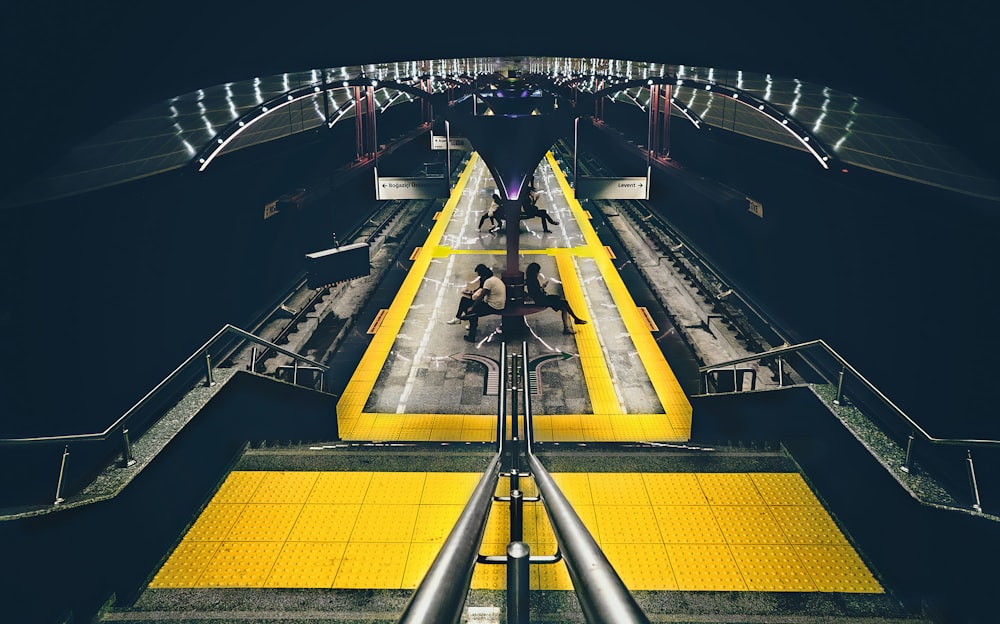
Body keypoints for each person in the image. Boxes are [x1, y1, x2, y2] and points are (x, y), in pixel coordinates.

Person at [524, 262, 587, 334]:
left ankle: (568, 326)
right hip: (542, 300)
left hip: (542, 299)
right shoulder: (533, 280)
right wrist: (543, 287)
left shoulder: (530, 279)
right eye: (538, 271)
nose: (538, 273)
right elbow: (537, 292)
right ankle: (574, 321)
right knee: (564, 303)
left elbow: (535, 291)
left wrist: (541, 288)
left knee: (564, 305)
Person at [460, 264, 506, 342]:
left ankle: (471, 336)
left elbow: (481, 296)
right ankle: (462, 317)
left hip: (494, 306)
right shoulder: (493, 279)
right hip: (496, 303)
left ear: (483, 274)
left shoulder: (488, 282)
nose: (480, 278)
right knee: (465, 300)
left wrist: (472, 308)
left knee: (473, 313)